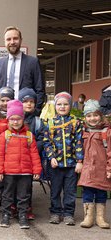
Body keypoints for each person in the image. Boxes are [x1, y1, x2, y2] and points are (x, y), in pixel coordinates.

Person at [0, 100, 42, 229]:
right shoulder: (4, 135)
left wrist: (37, 170)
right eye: (12, 119)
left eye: (18, 119)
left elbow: (34, 155)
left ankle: (23, 215)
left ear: (23, 119)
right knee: (7, 195)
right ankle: (6, 214)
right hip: (9, 172)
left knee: (23, 196)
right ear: (8, 120)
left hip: (25, 172)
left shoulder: (29, 135)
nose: (15, 122)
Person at [43, 92, 84, 226]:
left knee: (70, 192)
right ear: (55, 106)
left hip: (71, 166)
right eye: (59, 104)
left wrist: (79, 161)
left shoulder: (75, 122)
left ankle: (68, 214)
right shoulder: (50, 122)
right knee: (55, 190)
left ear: (70, 105)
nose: (62, 107)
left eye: (65, 104)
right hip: (56, 165)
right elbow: (46, 142)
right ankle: (55, 212)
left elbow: (79, 142)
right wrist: (51, 157)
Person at [0, 26, 45, 114]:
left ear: (21, 40)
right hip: (3, 114)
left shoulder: (33, 62)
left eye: (15, 38)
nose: (12, 42)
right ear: (5, 42)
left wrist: (35, 111)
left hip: (26, 114)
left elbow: (40, 90)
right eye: (8, 39)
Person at [77, 99, 111, 229]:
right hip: (87, 169)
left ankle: (100, 218)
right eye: (89, 115)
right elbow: (78, 148)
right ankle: (88, 217)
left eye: (95, 115)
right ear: (85, 117)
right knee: (87, 193)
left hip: (101, 169)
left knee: (102, 193)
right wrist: (79, 162)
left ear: (101, 116)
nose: (92, 118)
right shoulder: (83, 131)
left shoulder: (106, 132)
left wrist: (109, 168)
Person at [18, 87, 44, 220]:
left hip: (29, 159)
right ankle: (12, 207)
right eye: (25, 101)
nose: (29, 104)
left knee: (27, 186)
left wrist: (31, 149)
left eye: (32, 101)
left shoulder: (38, 122)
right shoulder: (14, 119)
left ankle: (27, 208)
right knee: (11, 185)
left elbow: (41, 139)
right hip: (15, 159)